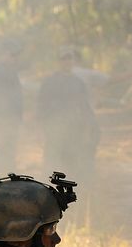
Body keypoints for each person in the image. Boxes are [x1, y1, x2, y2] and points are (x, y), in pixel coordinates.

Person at [35, 45, 100, 212]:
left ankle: (72, 204)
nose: (67, 62)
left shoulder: (78, 83)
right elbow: (41, 108)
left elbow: (86, 108)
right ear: (58, 61)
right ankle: (49, 203)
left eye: (69, 58)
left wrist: (90, 129)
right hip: (55, 133)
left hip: (74, 134)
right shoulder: (50, 82)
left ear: (73, 61)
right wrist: (41, 130)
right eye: (63, 58)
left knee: (72, 166)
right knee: (52, 167)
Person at [0, 44, 25, 173]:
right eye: (11, 55)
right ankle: (2, 176)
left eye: (15, 56)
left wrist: (18, 117)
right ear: (4, 55)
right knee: (1, 149)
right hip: (1, 118)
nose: (14, 58)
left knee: (9, 149)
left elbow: (17, 97)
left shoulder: (12, 71)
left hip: (10, 118)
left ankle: (8, 175)